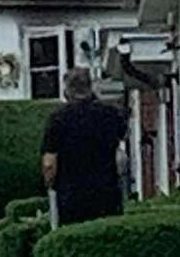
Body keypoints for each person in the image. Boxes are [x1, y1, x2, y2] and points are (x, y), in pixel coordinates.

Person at [40, 67, 128, 227]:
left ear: (66, 91)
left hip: (71, 196)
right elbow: (122, 145)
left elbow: (49, 164)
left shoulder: (58, 120)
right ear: (90, 87)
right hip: (107, 193)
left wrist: (50, 185)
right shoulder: (110, 114)